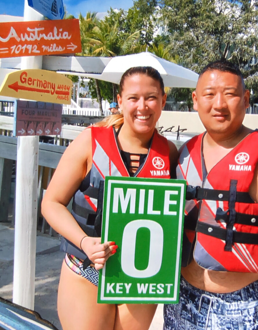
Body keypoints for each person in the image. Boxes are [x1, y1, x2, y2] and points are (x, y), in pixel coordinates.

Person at [163, 60, 258, 330]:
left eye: (230, 94)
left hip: (243, 306)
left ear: (246, 99)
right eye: (209, 94)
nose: (219, 104)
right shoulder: (183, 152)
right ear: (195, 100)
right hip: (180, 299)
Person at [41, 66, 178, 330]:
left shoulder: (168, 152)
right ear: (120, 101)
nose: (143, 106)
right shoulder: (90, 142)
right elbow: (51, 203)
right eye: (133, 98)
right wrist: (84, 242)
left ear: (162, 100)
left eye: (151, 97)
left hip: (141, 279)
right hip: (87, 268)